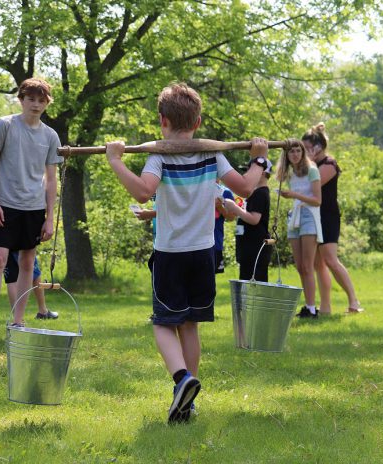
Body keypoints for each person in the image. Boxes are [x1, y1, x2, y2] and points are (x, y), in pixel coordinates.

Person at [105, 82, 269, 423]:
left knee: (164, 324)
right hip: (203, 254)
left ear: (162, 120)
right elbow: (247, 187)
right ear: (197, 122)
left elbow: (142, 193)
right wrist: (260, 159)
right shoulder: (213, 155)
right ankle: (187, 403)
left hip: (170, 254)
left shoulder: (158, 157)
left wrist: (115, 161)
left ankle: (182, 379)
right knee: (190, 325)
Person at [0, 77, 62, 329]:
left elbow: (51, 179)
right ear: (21, 100)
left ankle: (18, 321)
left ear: (47, 103)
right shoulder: (5, 125)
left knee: (28, 262)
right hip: (4, 205)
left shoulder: (51, 136)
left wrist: (49, 217)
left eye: (41, 100)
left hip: (35, 208)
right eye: (31, 99)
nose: (36, 104)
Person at [302, 123, 363, 315]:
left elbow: (312, 186)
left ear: (318, 147)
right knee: (317, 264)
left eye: (306, 148)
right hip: (313, 216)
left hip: (328, 217)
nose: (304, 152)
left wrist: (308, 163)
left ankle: (354, 301)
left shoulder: (329, 164)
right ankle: (326, 308)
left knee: (330, 260)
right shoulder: (312, 165)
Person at [276, 140, 322, 318]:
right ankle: (307, 305)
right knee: (300, 266)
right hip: (294, 216)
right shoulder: (289, 173)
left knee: (308, 266)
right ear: (286, 155)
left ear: (303, 152)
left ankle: (312, 308)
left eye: (297, 151)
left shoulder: (312, 170)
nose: (295, 154)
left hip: (309, 216)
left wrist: (294, 195)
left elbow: (317, 200)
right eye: (291, 152)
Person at [224, 159, 272, 281]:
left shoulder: (260, 194)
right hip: (248, 247)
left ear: (261, 173)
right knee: (246, 281)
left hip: (255, 247)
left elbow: (255, 219)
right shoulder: (255, 193)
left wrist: (235, 208)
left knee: (254, 283)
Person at [4, 252, 58, 319]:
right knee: (34, 272)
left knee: (12, 279)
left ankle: (17, 318)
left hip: (7, 244)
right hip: (22, 244)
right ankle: (43, 311)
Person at [214, 181, 236, 274]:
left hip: (215, 242)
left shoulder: (225, 192)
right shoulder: (195, 188)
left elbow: (232, 217)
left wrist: (219, 206)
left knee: (210, 280)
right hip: (194, 243)